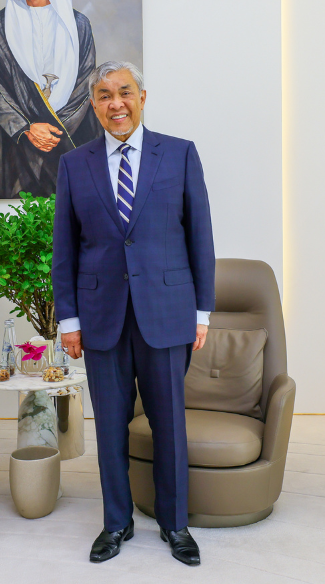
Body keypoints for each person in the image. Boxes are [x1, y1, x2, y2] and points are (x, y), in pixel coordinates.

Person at [52, 62, 215, 566]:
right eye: (103, 96)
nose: (115, 103)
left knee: (169, 424)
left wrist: (202, 310)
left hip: (167, 313)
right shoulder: (74, 164)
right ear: (94, 105)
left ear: (142, 96)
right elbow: (66, 247)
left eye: (124, 93)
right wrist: (68, 319)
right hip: (100, 316)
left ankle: (175, 523)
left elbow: (200, 237)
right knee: (111, 427)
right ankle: (116, 521)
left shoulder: (181, 153)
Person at [0, 0, 103, 199]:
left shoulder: (79, 25)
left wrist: (53, 132)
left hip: (68, 143)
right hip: (16, 146)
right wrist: (26, 129)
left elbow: (85, 87)